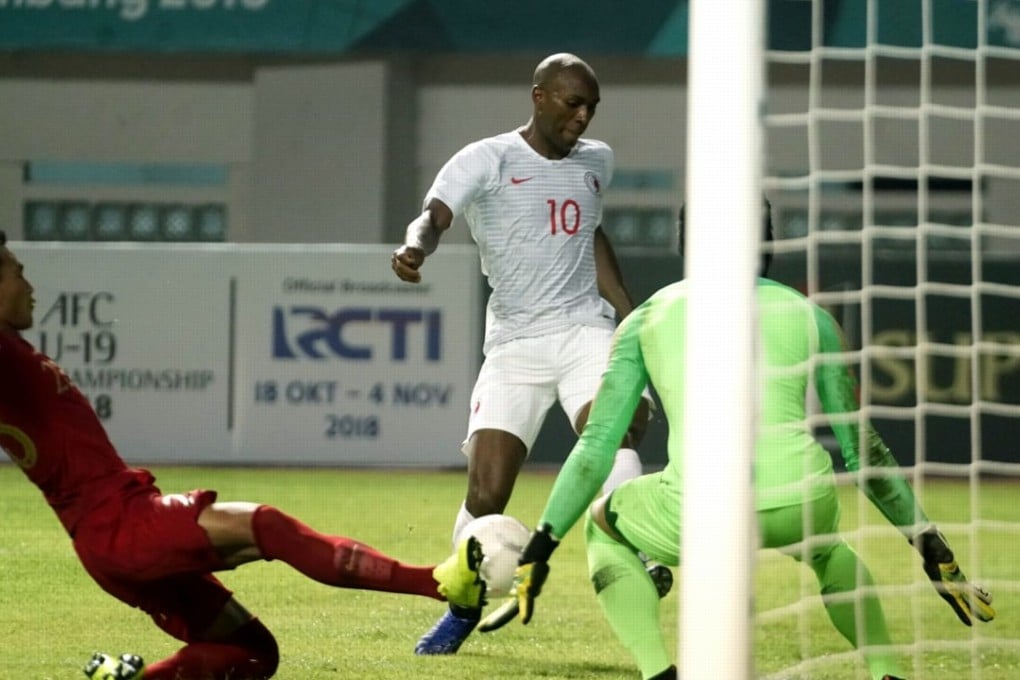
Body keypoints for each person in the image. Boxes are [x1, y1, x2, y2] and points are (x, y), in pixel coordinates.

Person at [478, 200, 996, 680]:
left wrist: (540, 549)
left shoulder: (646, 318)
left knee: (604, 527)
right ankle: (888, 671)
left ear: (687, 243)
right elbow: (866, 452)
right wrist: (930, 545)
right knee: (828, 551)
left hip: (698, 509)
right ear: (767, 243)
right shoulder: (812, 315)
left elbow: (597, 448)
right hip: (801, 500)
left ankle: (659, 672)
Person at [0, 230, 485, 680]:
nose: (30, 285)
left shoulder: (17, 353)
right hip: (123, 528)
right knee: (269, 527)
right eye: (18, 272)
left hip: (110, 539)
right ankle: (438, 582)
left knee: (252, 652)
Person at [390, 52, 664, 655]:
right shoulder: (485, 159)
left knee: (612, 432)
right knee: (487, 493)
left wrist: (627, 313)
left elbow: (589, 232)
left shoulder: (597, 161)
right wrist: (415, 249)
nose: (583, 117)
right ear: (539, 96)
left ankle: (641, 551)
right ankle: (463, 606)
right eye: (573, 103)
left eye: (592, 107)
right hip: (515, 343)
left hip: (583, 331)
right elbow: (433, 217)